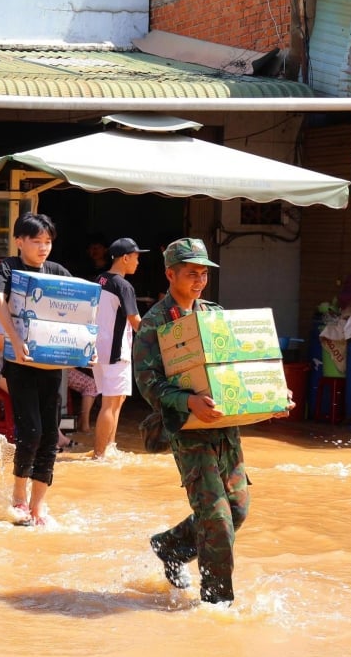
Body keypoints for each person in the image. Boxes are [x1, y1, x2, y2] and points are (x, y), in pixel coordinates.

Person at [132, 237, 291, 605]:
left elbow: (235, 368)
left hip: (224, 428)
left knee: (237, 509)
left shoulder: (214, 314)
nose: (200, 280)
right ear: (170, 274)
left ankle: (170, 546)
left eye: (204, 273)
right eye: (191, 273)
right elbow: (148, 384)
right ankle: (217, 604)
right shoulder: (155, 324)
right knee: (215, 518)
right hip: (188, 430)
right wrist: (187, 400)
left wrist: (271, 398)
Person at [0, 212, 72, 527]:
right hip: (20, 365)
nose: (43, 248)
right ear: (20, 241)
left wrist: (86, 348)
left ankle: (39, 506)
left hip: (51, 365)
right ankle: (18, 496)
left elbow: (79, 311)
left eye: (48, 242)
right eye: (36, 241)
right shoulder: (9, 268)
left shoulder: (57, 272)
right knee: (31, 433)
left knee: (51, 435)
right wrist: (15, 338)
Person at [92, 237, 147, 459]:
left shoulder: (100, 279)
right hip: (116, 352)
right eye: (136, 258)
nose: (138, 262)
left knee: (117, 400)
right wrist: (160, 338)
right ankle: (99, 455)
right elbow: (136, 322)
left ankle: (109, 449)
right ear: (125, 258)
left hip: (98, 349)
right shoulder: (123, 286)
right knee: (110, 403)